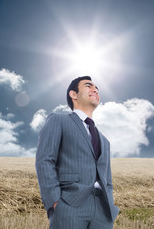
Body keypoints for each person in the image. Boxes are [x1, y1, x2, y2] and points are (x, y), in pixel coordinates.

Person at [35, 76, 119, 229]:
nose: (95, 89)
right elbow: (45, 160)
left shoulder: (104, 140)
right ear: (73, 94)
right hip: (69, 204)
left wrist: (110, 204)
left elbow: (108, 180)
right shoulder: (58, 120)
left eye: (97, 89)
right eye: (89, 86)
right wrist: (54, 201)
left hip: (103, 211)